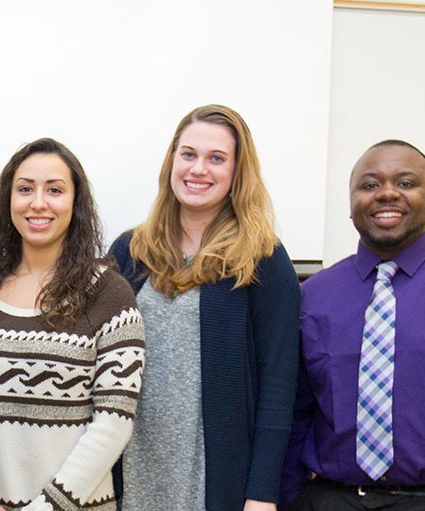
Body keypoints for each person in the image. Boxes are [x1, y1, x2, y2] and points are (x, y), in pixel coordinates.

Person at [110, 104, 300, 511]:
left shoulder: (263, 258)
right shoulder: (130, 252)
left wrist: (262, 493)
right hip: (133, 470)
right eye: (189, 154)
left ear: (237, 173)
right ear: (172, 161)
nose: (199, 169)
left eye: (217, 158)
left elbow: (279, 383)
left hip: (219, 480)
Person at [0, 138, 145, 511]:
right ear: (8, 201)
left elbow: (113, 423)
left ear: (75, 202)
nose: (38, 202)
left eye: (54, 190)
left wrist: (46, 507)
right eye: (24, 189)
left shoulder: (111, 296)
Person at [281, 140, 425, 510]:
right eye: (369, 185)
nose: (387, 194)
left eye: (406, 183)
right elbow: (295, 413)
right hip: (332, 499)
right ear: (351, 204)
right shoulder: (312, 295)